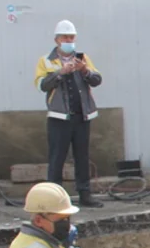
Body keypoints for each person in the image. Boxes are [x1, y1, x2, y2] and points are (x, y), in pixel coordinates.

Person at [35, 19, 104, 208]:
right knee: (57, 157)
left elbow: (97, 80)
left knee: (82, 156)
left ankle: (85, 194)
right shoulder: (46, 61)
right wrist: (60, 73)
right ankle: (54, 199)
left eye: (71, 37)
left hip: (82, 115)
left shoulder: (83, 58)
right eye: (65, 37)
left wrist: (85, 71)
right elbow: (42, 85)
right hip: (59, 116)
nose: (68, 40)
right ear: (57, 39)